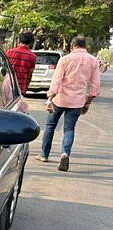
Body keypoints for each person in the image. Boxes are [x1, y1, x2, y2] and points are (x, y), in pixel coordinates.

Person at [36, 36, 100, 171]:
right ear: (85, 47)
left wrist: (49, 98)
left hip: (59, 99)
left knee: (50, 127)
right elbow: (95, 86)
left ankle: (44, 155)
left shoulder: (65, 59)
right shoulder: (93, 61)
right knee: (69, 129)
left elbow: (56, 81)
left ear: (72, 46)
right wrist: (87, 103)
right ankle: (65, 154)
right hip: (77, 102)